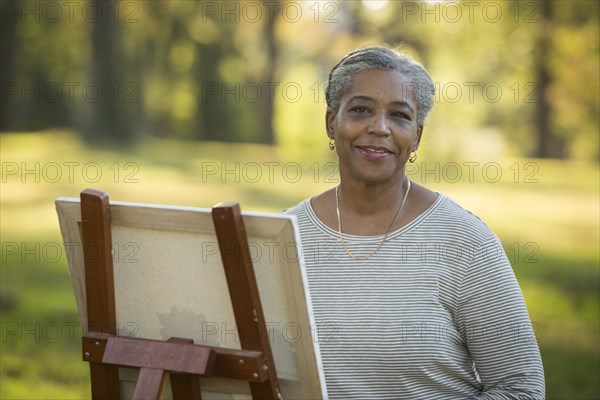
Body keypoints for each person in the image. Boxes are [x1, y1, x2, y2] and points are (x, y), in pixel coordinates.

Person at [284, 46, 545, 399]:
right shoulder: (283, 236)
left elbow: (521, 388)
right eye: (361, 110)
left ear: (417, 135)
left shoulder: (465, 241)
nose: (379, 128)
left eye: (399, 115)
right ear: (332, 122)